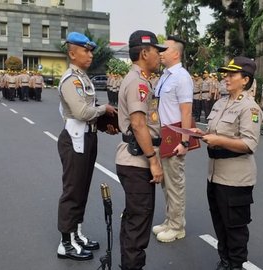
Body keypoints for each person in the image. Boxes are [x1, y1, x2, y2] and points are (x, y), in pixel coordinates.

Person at [192, 56, 261, 270]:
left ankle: (236, 265)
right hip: (214, 174)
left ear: (245, 80)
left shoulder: (250, 108)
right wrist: (201, 134)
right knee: (219, 222)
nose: (226, 78)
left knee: (235, 228)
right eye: (226, 73)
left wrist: (219, 140)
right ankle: (225, 262)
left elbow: (250, 144)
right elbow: (216, 132)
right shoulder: (221, 102)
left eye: (232, 74)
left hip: (236, 178)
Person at [55, 32, 117, 261]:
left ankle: (76, 235)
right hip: (75, 139)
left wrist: (104, 120)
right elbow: (82, 112)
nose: (90, 54)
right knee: (72, 191)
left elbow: (90, 110)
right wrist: (105, 110)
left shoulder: (83, 78)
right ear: (72, 53)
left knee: (81, 189)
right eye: (85, 50)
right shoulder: (71, 79)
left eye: (91, 50)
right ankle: (65, 244)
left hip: (87, 137)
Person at [116, 30, 166, 270]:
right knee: (138, 222)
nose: (160, 56)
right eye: (157, 51)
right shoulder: (138, 81)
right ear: (145, 52)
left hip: (133, 157)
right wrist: (153, 160)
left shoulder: (141, 79)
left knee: (133, 219)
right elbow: (138, 123)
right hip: (138, 160)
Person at [152, 35, 193, 243]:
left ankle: (177, 226)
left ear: (176, 53)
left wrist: (184, 141)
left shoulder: (182, 76)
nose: (160, 53)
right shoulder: (166, 76)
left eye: (164, 49)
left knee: (175, 182)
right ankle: (170, 220)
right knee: (166, 183)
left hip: (175, 136)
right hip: (163, 136)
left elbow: (186, 112)